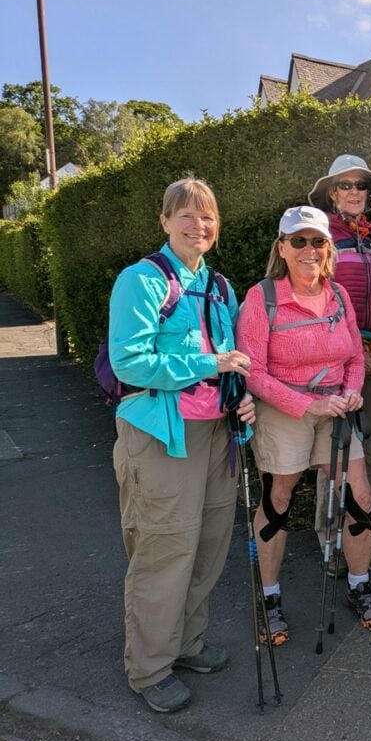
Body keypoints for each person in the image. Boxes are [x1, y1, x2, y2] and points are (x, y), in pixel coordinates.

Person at [109, 177, 255, 713]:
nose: (199, 225)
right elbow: (129, 361)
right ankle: (149, 667)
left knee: (209, 546)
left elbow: (233, 357)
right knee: (165, 549)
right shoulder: (142, 280)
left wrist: (240, 397)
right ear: (165, 221)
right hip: (161, 435)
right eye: (187, 215)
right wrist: (208, 364)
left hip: (216, 435)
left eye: (208, 216)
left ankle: (186, 644)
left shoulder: (219, 286)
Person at [236, 205, 371, 642]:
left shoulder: (338, 296)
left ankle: (359, 587)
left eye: (317, 241)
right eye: (298, 241)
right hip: (285, 411)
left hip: (336, 410)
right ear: (282, 248)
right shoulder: (261, 297)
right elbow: (254, 372)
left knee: (359, 495)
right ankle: (268, 596)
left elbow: (355, 357)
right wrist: (306, 405)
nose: (309, 250)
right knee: (279, 496)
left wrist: (354, 389)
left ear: (328, 248)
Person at [308, 154, 371, 576]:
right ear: (331, 192)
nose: (354, 193)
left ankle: (360, 539)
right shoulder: (319, 241)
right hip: (335, 363)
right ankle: (330, 542)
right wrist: (358, 349)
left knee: (370, 453)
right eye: (345, 185)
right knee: (333, 453)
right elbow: (315, 303)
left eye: (360, 186)